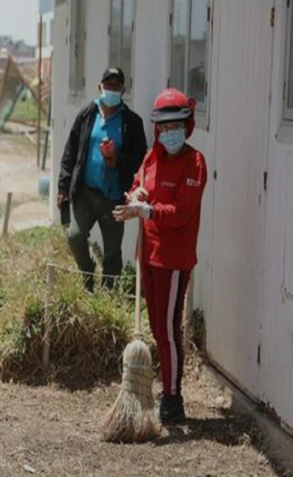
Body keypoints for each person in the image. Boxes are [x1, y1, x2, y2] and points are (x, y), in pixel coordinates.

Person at [113, 88, 207, 424]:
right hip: (148, 255)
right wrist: (134, 194)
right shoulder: (153, 157)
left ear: (187, 124)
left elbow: (181, 212)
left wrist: (148, 209)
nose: (169, 134)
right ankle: (165, 387)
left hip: (173, 260)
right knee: (156, 326)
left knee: (167, 329)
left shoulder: (194, 162)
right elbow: (139, 184)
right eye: (164, 128)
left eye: (175, 126)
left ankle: (172, 397)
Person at [58, 67, 147, 290]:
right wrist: (63, 186)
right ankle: (87, 276)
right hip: (86, 194)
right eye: (108, 85)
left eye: (116, 86)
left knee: (112, 253)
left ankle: (109, 294)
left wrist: (117, 160)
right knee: (75, 237)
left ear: (123, 90)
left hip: (114, 197)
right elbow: (70, 151)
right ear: (100, 87)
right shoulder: (87, 114)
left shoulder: (132, 122)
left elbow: (140, 159)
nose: (112, 90)